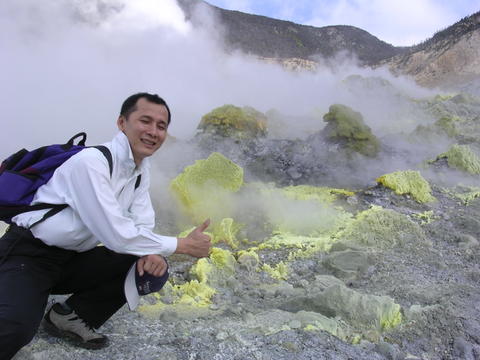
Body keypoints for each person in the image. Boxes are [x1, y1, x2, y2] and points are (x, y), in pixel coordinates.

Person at [0, 93, 212, 360]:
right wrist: (183, 245)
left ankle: (69, 317)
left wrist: (153, 253)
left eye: (161, 126)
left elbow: (142, 222)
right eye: (145, 121)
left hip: (71, 259)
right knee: (15, 329)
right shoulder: (91, 163)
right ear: (122, 123)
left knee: (150, 269)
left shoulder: (139, 170)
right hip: (29, 256)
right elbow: (117, 235)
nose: (153, 131)